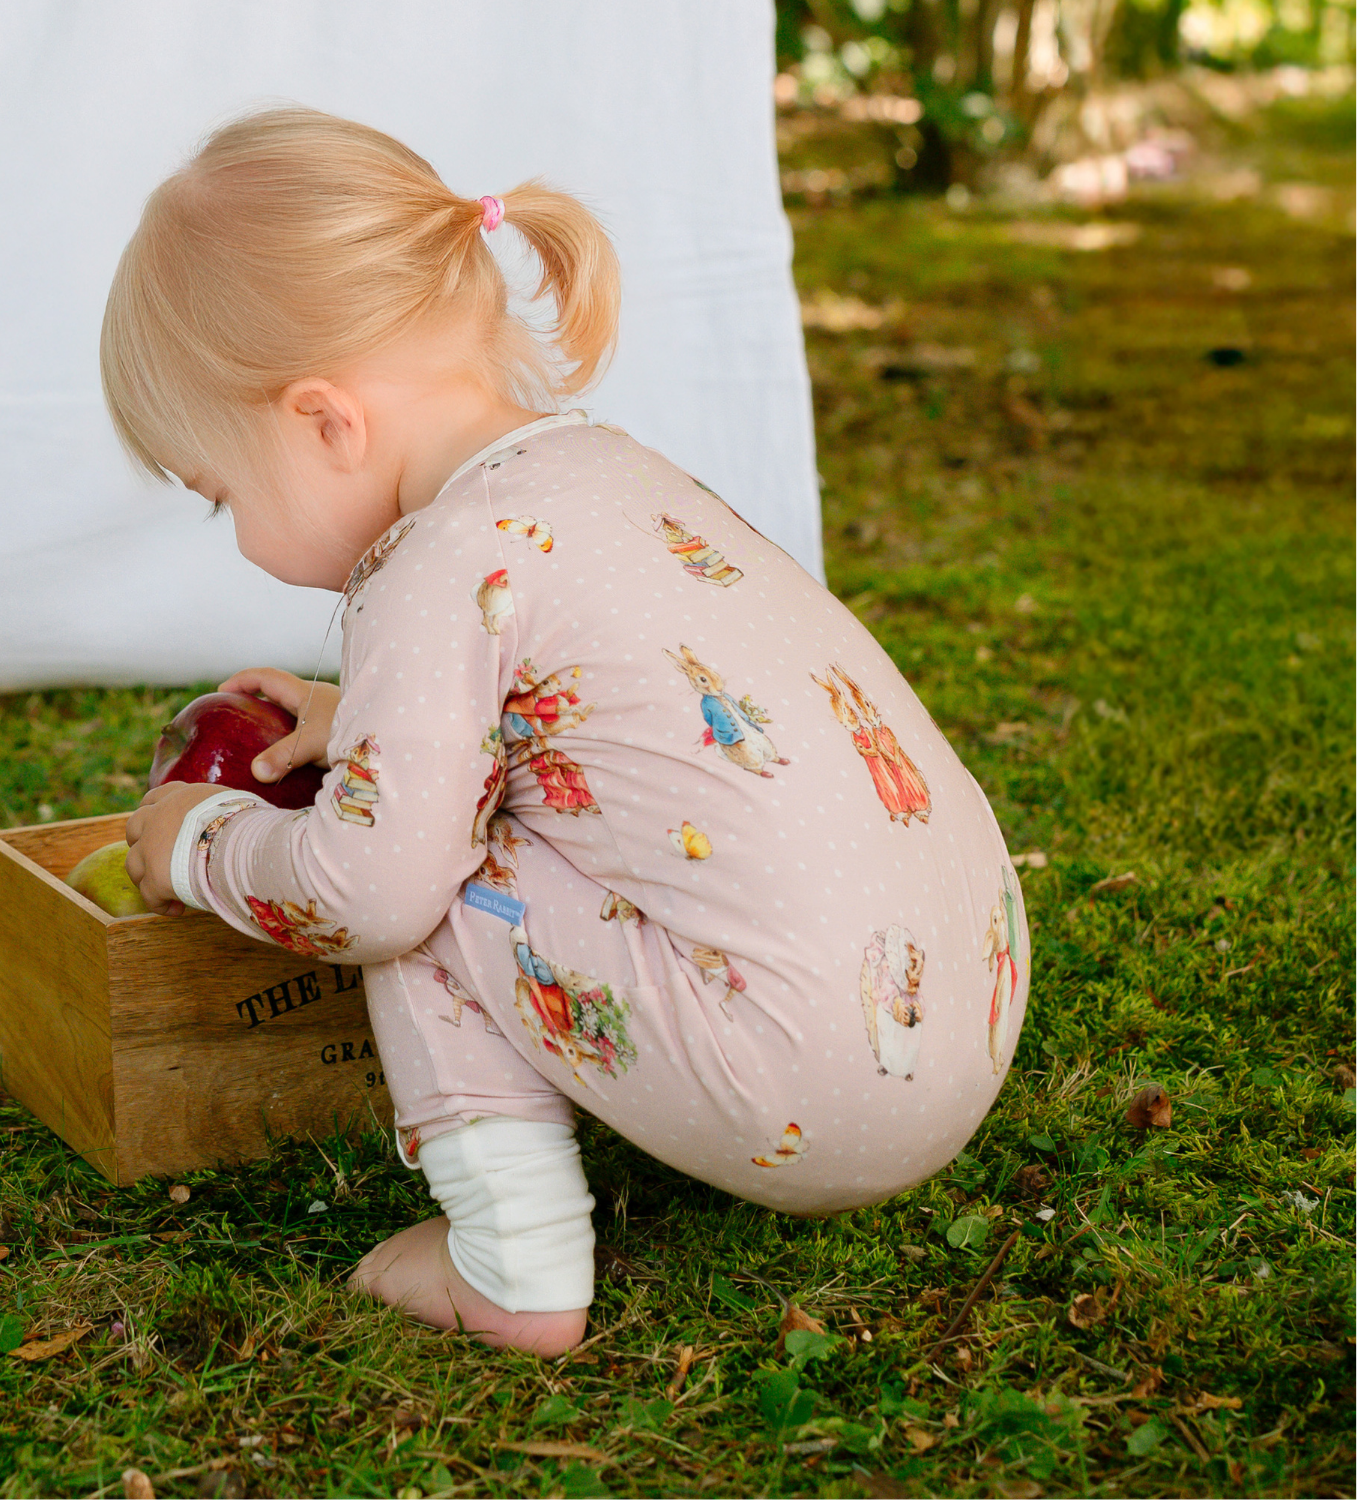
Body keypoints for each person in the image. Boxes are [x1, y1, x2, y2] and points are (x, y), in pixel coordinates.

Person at [108, 106, 1031, 1358]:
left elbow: (367, 894)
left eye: (223, 496)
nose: (238, 538)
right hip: (965, 1012)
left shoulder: (429, 563)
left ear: (325, 422)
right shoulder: (599, 473)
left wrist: (200, 841)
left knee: (416, 866)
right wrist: (355, 716)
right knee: (451, 810)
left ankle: (514, 1265)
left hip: (816, 1084)